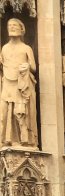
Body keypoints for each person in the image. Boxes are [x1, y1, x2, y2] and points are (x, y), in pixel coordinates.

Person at [0, 18, 37, 147]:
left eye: (15, 25)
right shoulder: (4, 48)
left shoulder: (26, 48)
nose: (12, 27)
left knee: (20, 114)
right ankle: (7, 139)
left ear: (22, 29)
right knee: (4, 113)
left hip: (21, 83)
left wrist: (26, 66)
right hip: (7, 83)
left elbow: (34, 67)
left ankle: (23, 140)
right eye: (9, 25)